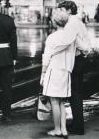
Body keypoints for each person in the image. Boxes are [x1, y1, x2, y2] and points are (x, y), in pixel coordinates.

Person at [46, 0, 92, 135]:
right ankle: (76, 124)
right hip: (79, 58)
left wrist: (52, 51)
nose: (60, 12)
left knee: (75, 94)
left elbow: (68, 41)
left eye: (62, 9)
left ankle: (78, 126)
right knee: (75, 93)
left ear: (69, 11)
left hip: (76, 61)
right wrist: (86, 49)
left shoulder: (71, 22)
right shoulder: (77, 21)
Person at [40, 9, 70, 138]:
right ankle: (64, 129)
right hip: (66, 71)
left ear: (54, 22)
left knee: (54, 101)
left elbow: (46, 57)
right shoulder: (70, 36)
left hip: (54, 71)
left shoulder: (52, 37)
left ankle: (57, 130)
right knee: (62, 101)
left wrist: (43, 74)